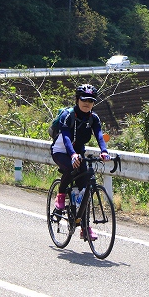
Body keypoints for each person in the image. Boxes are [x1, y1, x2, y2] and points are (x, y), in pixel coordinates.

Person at [51, 83, 110, 240]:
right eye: (84, 100)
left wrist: (104, 151)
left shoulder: (93, 118)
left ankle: (85, 228)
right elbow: (66, 138)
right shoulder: (68, 116)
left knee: (84, 190)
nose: (87, 103)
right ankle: (61, 195)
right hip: (61, 151)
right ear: (77, 100)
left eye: (90, 101)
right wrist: (72, 155)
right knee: (71, 168)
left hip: (78, 153)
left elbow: (99, 135)